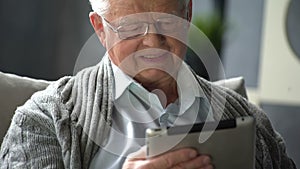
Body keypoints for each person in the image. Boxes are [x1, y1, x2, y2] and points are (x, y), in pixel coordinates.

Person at [0, 0, 296, 168]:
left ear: (188, 14)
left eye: (168, 23)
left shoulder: (252, 123)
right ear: (101, 30)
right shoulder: (42, 121)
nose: (153, 43)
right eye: (130, 29)